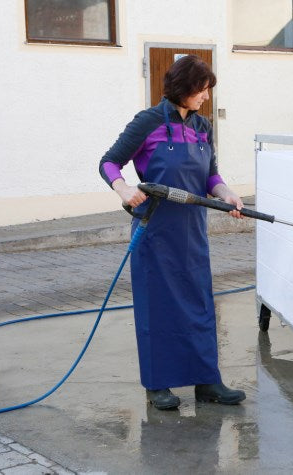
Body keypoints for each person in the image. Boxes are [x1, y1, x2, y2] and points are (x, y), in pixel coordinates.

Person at [99, 55, 246, 410]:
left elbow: (211, 175)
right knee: (158, 309)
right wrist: (122, 189)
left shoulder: (203, 127)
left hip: (193, 233)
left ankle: (207, 381)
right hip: (155, 232)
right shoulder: (147, 123)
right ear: (184, 87)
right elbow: (108, 162)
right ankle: (158, 385)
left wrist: (226, 193)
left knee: (200, 306)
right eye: (202, 89)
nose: (206, 97)